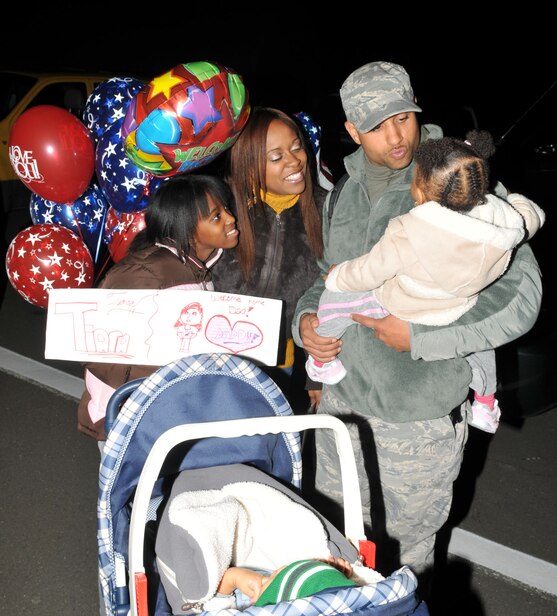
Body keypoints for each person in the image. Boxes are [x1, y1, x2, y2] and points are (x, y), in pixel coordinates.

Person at [292, 61, 542, 591]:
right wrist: (306, 322)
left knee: (407, 567)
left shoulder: (456, 178)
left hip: (419, 421)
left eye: (403, 117)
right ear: (352, 131)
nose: (396, 134)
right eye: (378, 125)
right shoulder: (342, 190)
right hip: (343, 410)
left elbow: (522, 298)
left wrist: (423, 338)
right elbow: (327, 276)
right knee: (332, 549)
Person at [306, 130, 545, 434]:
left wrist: (338, 276)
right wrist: (516, 201)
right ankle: (485, 403)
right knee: (483, 350)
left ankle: (321, 364)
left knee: (337, 300)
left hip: (404, 303)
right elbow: (529, 218)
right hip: (456, 305)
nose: (394, 134)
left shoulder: (409, 228)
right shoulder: (500, 217)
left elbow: (369, 270)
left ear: (420, 190)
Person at [77, 173, 239, 442]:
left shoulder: (196, 267)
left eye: (226, 209)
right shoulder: (145, 276)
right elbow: (104, 354)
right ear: (185, 229)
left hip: (162, 415)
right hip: (126, 420)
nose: (231, 219)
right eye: (216, 216)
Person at [211, 106, 328, 412]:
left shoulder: (327, 212)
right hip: (218, 360)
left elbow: (332, 296)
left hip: (284, 366)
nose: (294, 161)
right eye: (276, 157)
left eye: (296, 147)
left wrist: (315, 376)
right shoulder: (221, 211)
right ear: (250, 167)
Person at [208, 556, 357, 611]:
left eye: (276, 575)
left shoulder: (247, 607)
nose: (279, 570)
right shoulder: (270, 592)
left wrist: (233, 577)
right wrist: (335, 576)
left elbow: (212, 601)